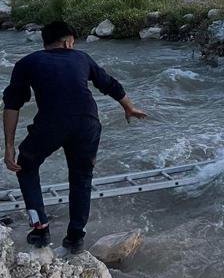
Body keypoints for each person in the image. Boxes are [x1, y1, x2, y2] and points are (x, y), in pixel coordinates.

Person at [3, 21, 147, 253]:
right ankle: (75, 237)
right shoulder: (82, 57)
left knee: (25, 166)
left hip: (51, 124)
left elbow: (12, 104)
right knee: (81, 178)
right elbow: (109, 84)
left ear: (45, 42)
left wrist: (8, 146)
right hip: (88, 123)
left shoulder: (27, 63)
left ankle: (40, 228)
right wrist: (129, 107)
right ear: (68, 41)